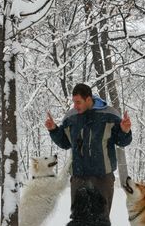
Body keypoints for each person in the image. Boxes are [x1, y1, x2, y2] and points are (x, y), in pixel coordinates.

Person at [45, 83, 132, 217]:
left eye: (78, 102)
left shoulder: (109, 115)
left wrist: (125, 131)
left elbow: (122, 141)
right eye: (74, 102)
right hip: (79, 178)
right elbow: (65, 143)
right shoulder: (71, 118)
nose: (75, 106)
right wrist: (54, 130)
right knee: (79, 223)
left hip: (103, 178)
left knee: (101, 223)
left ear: (88, 99)